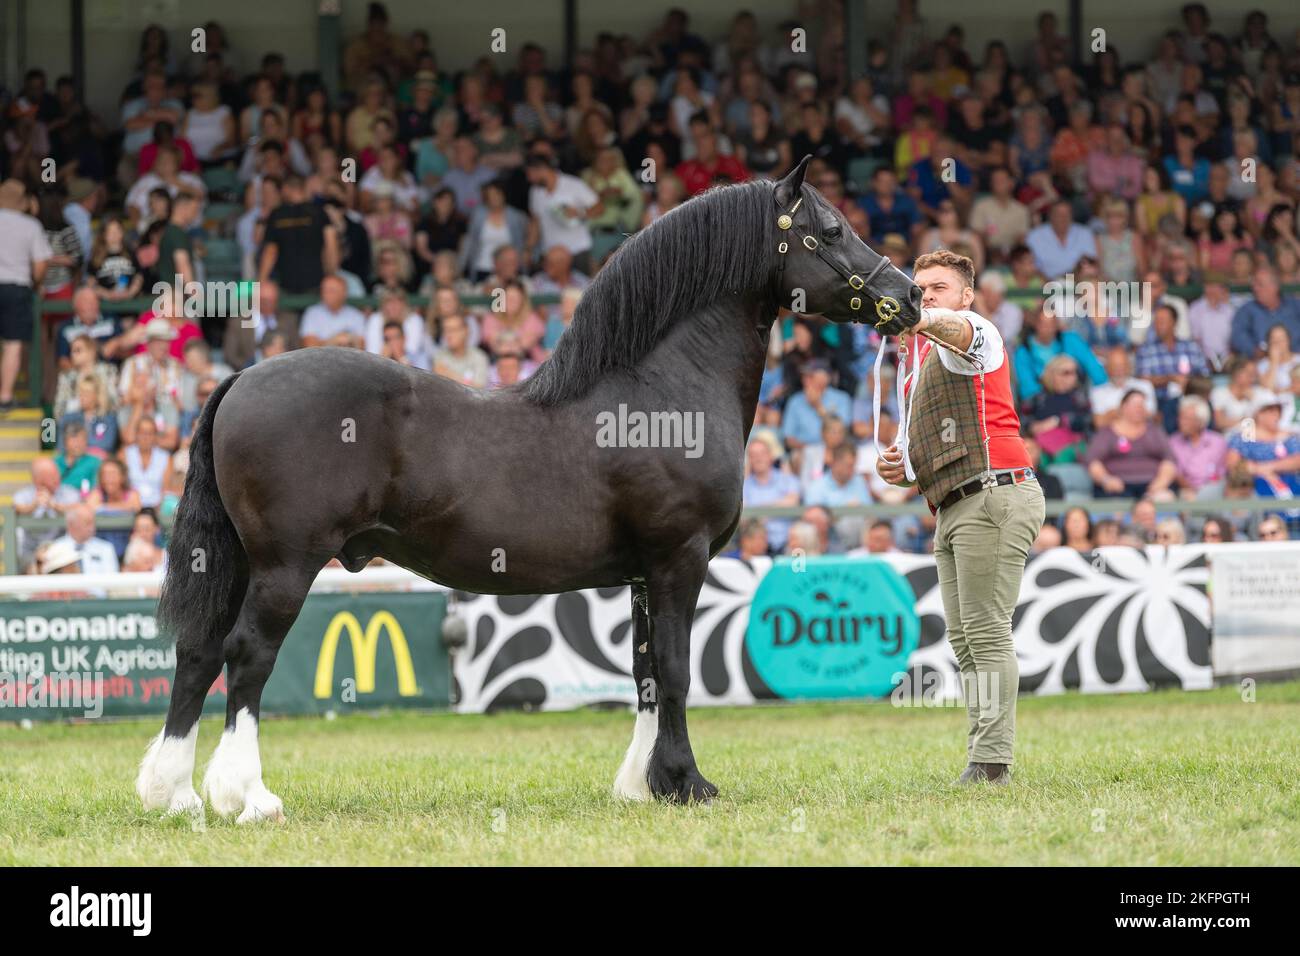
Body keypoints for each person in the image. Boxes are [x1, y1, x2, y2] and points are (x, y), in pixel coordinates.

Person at [875, 250, 1043, 786]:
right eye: (919, 287)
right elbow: (908, 471)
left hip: (992, 491)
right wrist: (894, 469)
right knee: (967, 639)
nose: (926, 294)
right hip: (955, 503)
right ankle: (985, 756)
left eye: (939, 286)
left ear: (966, 295)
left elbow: (958, 332)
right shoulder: (918, 364)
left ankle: (992, 763)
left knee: (986, 633)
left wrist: (921, 319)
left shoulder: (974, 330)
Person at [0, 179, 52, 411]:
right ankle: (5, 397)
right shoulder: (30, 225)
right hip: (18, 287)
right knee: (13, 344)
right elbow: (41, 264)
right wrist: (36, 283)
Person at [1085, 389, 1178, 499]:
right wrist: (1106, 479)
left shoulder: (1155, 431)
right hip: (1117, 487)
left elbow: (1169, 459)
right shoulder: (1107, 433)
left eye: (1142, 405)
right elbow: (1093, 461)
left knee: (1165, 499)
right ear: (1123, 407)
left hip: (1151, 485)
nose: (1140, 408)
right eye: (1135, 405)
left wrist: (1162, 481)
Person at [742, 435, 799, 554]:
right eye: (753, 455)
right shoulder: (744, 486)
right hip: (756, 547)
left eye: (762, 453)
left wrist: (759, 512)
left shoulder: (788, 480)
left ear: (770, 456)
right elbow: (744, 516)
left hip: (786, 544)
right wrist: (777, 506)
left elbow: (792, 502)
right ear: (749, 460)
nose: (758, 458)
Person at [1170, 395, 1227, 499]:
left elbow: (1221, 472)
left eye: (1187, 419)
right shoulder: (1173, 441)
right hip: (1186, 491)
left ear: (1200, 422)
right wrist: (1192, 490)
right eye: (1181, 417)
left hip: (1214, 490)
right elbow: (1176, 474)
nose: (1181, 422)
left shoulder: (1217, 441)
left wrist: (1207, 490)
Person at [52, 502, 119, 574]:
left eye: (93, 522)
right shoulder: (55, 548)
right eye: (87, 523)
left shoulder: (106, 548)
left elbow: (112, 580)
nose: (92, 527)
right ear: (72, 524)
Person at [300, 275, 365, 348]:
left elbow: (362, 346)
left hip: (350, 358)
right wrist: (334, 341)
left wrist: (326, 342)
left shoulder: (356, 315)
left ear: (344, 293)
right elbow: (309, 345)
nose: (326, 294)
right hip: (320, 358)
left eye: (331, 290)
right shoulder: (312, 313)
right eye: (324, 290)